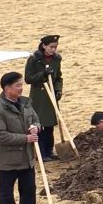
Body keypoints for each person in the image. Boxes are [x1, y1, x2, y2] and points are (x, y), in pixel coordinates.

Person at [0, 71, 40, 204]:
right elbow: (0, 136)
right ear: (7, 89)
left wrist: (36, 127)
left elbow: (36, 120)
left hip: (27, 157)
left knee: (29, 189)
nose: (21, 88)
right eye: (18, 85)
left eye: (21, 84)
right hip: (7, 160)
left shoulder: (26, 103)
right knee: (7, 193)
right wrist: (26, 138)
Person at [25, 34, 64, 162]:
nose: (53, 49)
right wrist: (43, 74)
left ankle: (49, 151)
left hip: (51, 96)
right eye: (51, 47)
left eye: (55, 47)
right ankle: (41, 153)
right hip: (39, 97)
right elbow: (28, 78)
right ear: (44, 46)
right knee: (40, 125)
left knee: (50, 125)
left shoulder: (56, 59)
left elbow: (58, 78)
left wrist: (58, 90)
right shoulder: (34, 59)